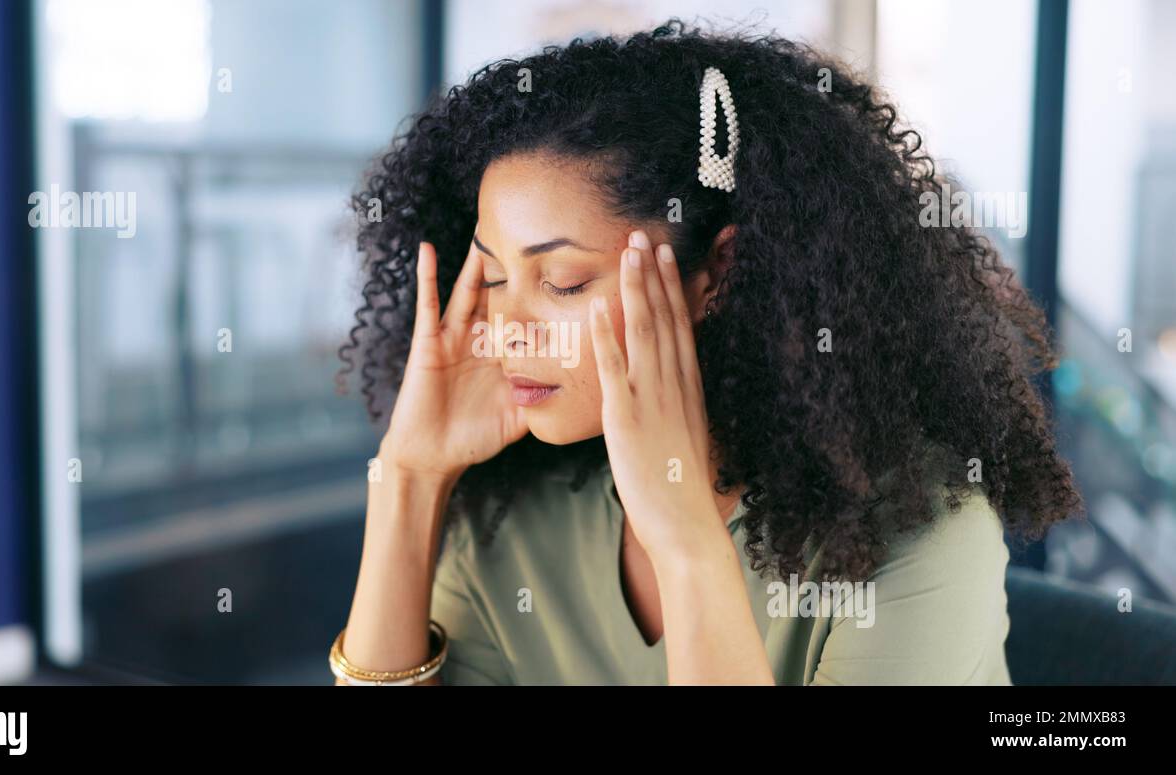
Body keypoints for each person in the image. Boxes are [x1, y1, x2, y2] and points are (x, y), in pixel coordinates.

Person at [329, 20, 1084, 685]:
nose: (505, 326)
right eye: (491, 275)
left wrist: (688, 542)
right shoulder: (512, 509)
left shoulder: (917, 534)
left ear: (715, 273)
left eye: (561, 281)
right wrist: (408, 477)